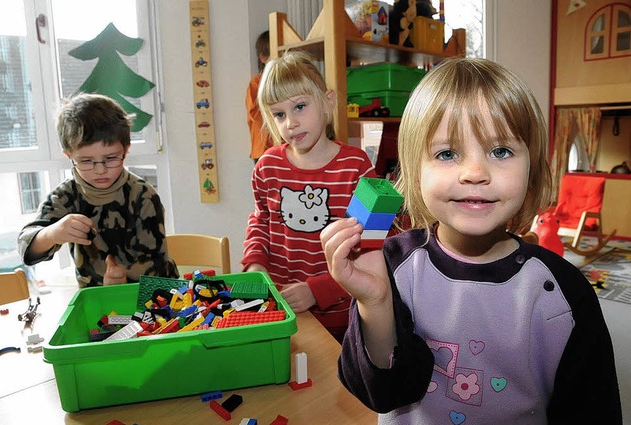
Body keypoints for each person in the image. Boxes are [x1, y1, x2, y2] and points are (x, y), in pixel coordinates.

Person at [320, 58, 622, 423]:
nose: (476, 173)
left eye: (500, 151)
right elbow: (385, 394)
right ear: (415, 174)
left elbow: (594, 410)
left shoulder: (563, 292)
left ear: (533, 170)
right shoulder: (391, 268)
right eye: (447, 153)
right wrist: (375, 302)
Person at [241, 51, 377, 342]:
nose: (290, 122)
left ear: (328, 101)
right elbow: (260, 221)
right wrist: (255, 264)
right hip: (280, 312)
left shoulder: (359, 167)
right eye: (279, 114)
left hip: (341, 321)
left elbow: (375, 249)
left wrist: (318, 290)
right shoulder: (267, 166)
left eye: (300, 106)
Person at [18, 93, 179, 287]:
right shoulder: (65, 197)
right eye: (86, 161)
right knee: (104, 319)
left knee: (125, 316)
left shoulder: (143, 196)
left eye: (110, 158)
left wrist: (118, 283)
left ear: (126, 150)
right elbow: (26, 249)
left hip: (150, 300)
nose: (100, 170)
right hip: (97, 301)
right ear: (69, 156)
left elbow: (157, 273)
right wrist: (53, 233)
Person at [246, 30, 273, 163]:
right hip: (263, 149)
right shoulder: (257, 83)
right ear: (263, 58)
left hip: (284, 147)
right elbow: (255, 114)